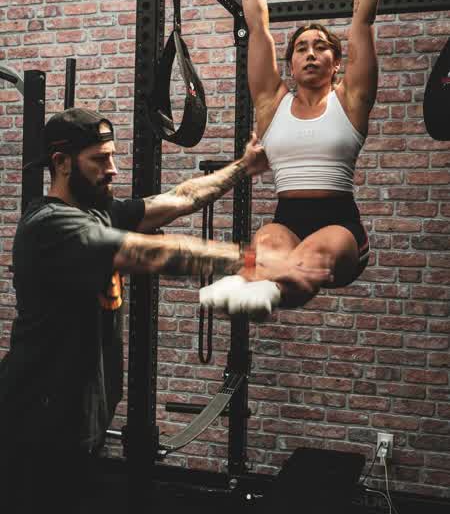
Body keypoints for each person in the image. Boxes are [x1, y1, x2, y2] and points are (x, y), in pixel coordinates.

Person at [0, 107, 299, 513]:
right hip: (34, 425)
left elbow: (182, 198)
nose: (113, 169)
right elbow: (152, 253)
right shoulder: (50, 225)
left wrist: (244, 166)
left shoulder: (99, 212)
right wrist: (249, 260)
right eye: (100, 159)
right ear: (61, 162)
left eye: (112, 156)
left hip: (74, 420)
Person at [200, 0, 387, 317]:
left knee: (311, 256)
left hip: (341, 226)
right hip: (287, 218)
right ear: (290, 63)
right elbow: (258, 28)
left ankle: (260, 286)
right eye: (301, 48)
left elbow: (363, 19)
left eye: (321, 47)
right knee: (265, 245)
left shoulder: (351, 100)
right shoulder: (272, 104)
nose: (311, 54)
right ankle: (260, 282)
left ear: (337, 63)